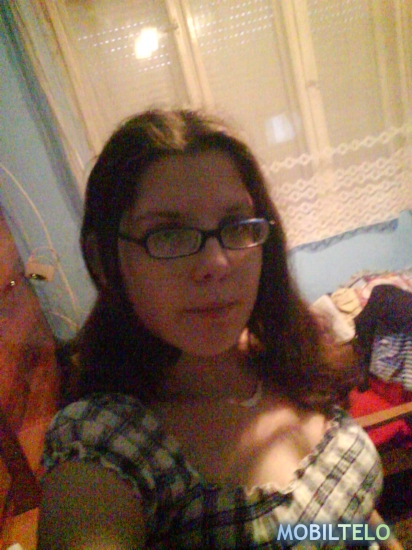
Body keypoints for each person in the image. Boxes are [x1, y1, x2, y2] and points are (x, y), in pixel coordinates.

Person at [37, 109, 383, 549]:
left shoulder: (286, 356)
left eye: (236, 226)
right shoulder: (106, 444)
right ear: (105, 261)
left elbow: (351, 512)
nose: (217, 263)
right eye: (168, 234)